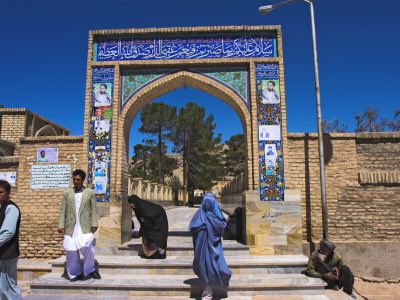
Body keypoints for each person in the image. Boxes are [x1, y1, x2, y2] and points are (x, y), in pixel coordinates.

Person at [58, 169, 100, 282]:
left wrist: (94, 223)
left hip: (84, 225)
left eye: (78, 180)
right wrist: (61, 225)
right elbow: (63, 210)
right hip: (71, 226)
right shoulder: (67, 193)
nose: (76, 181)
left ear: (83, 180)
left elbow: (93, 210)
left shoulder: (89, 192)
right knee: (71, 250)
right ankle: (74, 273)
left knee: (88, 248)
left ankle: (89, 270)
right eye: (74, 179)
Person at [189, 194, 231, 300]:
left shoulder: (199, 214)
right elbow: (222, 225)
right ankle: (208, 291)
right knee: (209, 266)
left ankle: (211, 289)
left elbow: (194, 228)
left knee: (214, 267)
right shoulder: (215, 214)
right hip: (204, 248)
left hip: (210, 247)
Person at [128, 195, 168, 259]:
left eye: (130, 203)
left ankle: (158, 252)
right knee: (146, 233)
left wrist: (144, 221)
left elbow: (150, 215)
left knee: (156, 236)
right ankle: (151, 253)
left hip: (158, 220)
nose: (130, 205)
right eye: (129, 203)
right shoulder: (138, 207)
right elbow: (143, 220)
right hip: (153, 222)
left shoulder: (143, 207)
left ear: (135, 202)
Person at [0, 180, 21, 300]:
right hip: (2, 254)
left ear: (8, 193)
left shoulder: (11, 208)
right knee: (2, 288)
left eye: (1, 192)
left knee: (9, 288)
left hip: (8, 254)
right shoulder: (2, 207)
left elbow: (8, 232)